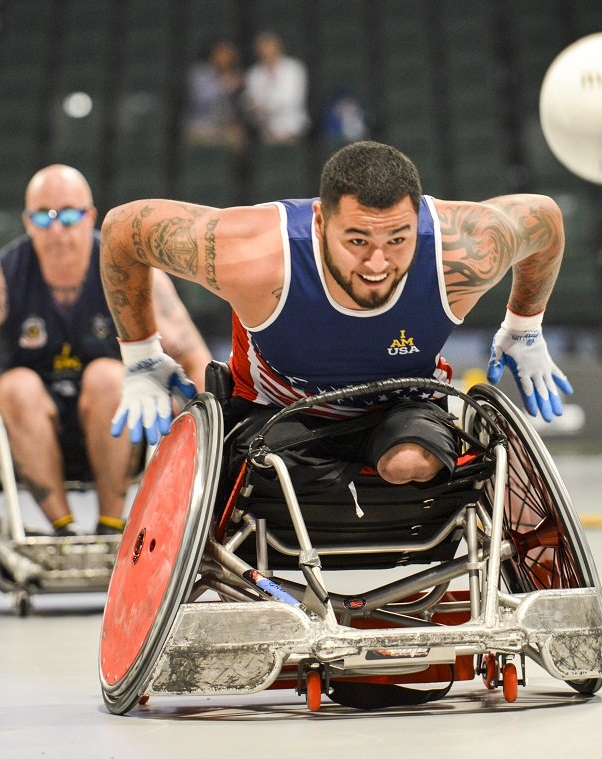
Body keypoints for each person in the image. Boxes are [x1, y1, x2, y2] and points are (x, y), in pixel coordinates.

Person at [100, 140, 572, 494]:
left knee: (409, 464)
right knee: (279, 481)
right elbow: (123, 231)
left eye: (398, 240)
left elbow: (546, 219)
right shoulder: (256, 257)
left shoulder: (461, 251)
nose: (378, 264)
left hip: (402, 407)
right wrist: (141, 356)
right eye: (358, 241)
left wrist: (524, 327)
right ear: (321, 224)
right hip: (278, 412)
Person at [0, 165, 212, 535]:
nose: (56, 228)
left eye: (69, 215)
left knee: (107, 375)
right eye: (44, 216)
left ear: (90, 217)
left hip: (114, 424)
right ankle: (62, 526)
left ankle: (110, 522)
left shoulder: (128, 273)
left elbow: (194, 356)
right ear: (27, 221)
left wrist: (214, 449)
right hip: (27, 426)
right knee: (16, 384)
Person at [244, 31, 310, 144]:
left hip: (293, 127)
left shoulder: (293, 69)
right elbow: (251, 103)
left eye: (269, 47)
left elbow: (292, 100)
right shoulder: (254, 73)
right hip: (265, 130)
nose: (266, 52)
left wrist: (263, 105)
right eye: (262, 48)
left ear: (278, 48)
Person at [181, 38, 247, 150]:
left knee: (238, 136)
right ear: (213, 55)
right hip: (200, 122)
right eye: (221, 54)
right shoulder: (199, 73)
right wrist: (224, 86)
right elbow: (201, 99)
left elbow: (238, 107)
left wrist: (237, 89)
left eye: (228, 56)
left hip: (224, 124)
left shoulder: (235, 76)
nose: (225, 59)